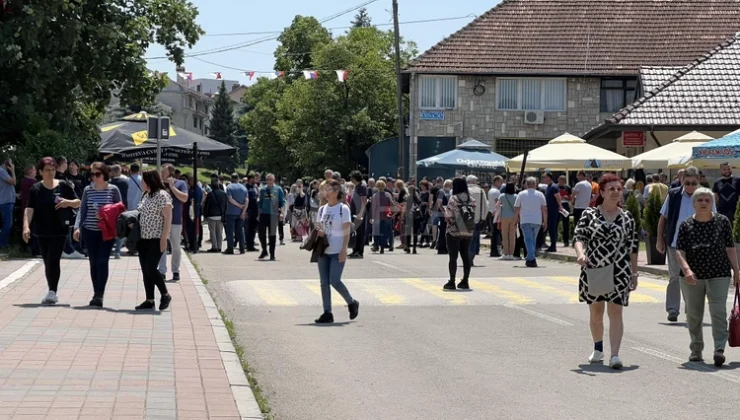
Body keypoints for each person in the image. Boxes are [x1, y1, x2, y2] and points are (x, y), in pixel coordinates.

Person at [574, 173, 639, 370]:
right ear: (601, 192)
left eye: (619, 189)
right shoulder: (589, 214)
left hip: (620, 270)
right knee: (596, 312)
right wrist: (580, 254)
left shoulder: (627, 218)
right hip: (594, 268)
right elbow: (578, 237)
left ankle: (615, 355)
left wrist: (634, 274)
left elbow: (633, 247)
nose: (616, 192)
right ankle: (598, 348)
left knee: (616, 312)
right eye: (611, 189)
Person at [674, 187, 740, 366]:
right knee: (694, 314)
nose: (704, 203)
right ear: (694, 203)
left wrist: (736, 270)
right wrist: (687, 270)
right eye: (700, 200)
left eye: (707, 200)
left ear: (713, 203)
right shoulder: (686, 225)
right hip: (692, 277)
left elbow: (730, 248)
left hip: (719, 273)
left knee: (718, 311)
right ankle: (696, 349)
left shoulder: (722, 222)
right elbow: (679, 251)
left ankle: (719, 349)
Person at [657, 166, 712, 322]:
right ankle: (673, 309)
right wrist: (660, 240)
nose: (689, 186)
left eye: (693, 183)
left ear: (698, 181)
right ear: (682, 181)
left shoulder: (705, 196)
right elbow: (663, 219)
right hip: (675, 244)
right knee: (674, 278)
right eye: (687, 183)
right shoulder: (673, 195)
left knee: (694, 278)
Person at [22, 157, 80, 305]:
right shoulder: (36, 188)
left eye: (53, 170)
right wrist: (26, 227)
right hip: (41, 230)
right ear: (40, 172)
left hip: (60, 230)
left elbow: (78, 202)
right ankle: (51, 289)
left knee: (54, 260)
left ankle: (52, 292)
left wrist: (67, 202)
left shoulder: (64, 185)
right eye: (47, 170)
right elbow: (29, 209)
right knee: (47, 261)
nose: (51, 173)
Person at [73, 162, 122, 307]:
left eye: (98, 174)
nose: (94, 177)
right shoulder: (88, 190)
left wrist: (105, 214)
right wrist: (77, 227)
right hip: (89, 231)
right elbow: (82, 210)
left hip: (106, 232)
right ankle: (96, 294)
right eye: (92, 174)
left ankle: (100, 293)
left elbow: (120, 209)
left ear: (104, 174)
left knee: (102, 261)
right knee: (93, 263)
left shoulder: (113, 190)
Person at [314, 179, 360, 324]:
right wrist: (319, 231)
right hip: (323, 250)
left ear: (336, 192)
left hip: (337, 250)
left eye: (328, 189)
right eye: (324, 190)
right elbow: (319, 226)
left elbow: (346, 231)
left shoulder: (343, 209)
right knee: (324, 283)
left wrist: (343, 250)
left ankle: (351, 302)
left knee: (334, 280)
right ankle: (327, 312)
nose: (325, 192)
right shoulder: (322, 209)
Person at [134, 169, 173, 311]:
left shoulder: (162, 196)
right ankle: (149, 300)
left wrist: (164, 238)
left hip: (157, 237)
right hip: (143, 238)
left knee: (151, 268)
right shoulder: (145, 195)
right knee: (145, 270)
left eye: (143, 180)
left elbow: (168, 218)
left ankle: (165, 294)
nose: (141, 182)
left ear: (150, 181)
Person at [443, 177, 476, 290]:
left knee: (453, 257)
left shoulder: (453, 199)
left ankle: (452, 281)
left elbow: (448, 216)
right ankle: (465, 281)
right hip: (468, 231)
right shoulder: (471, 199)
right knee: (465, 256)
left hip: (454, 232)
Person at [158, 164, 188, 281]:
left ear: (170, 172)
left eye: (164, 171)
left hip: (175, 220)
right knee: (162, 246)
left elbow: (184, 198)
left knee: (176, 247)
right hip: (161, 220)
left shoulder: (180, 183)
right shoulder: (159, 184)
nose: (162, 173)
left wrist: (172, 187)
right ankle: (162, 271)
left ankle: (175, 270)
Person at [514, 177, 547, 268]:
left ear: (526, 184)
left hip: (525, 220)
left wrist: (515, 219)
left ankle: (532, 259)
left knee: (528, 240)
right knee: (532, 240)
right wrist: (545, 221)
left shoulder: (521, 194)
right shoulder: (540, 194)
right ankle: (529, 259)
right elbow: (544, 209)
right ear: (535, 184)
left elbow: (517, 208)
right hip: (537, 220)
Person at [258, 174, 285, 261]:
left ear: (274, 180)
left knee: (272, 235)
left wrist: (282, 213)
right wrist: (258, 214)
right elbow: (260, 202)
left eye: (270, 179)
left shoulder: (278, 189)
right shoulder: (262, 189)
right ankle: (264, 250)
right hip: (264, 214)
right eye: (267, 179)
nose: (269, 181)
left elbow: (282, 202)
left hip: (273, 214)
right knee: (261, 233)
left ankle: (272, 254)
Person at [466, 175, 488, 266]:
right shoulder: (481, 191)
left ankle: (466, 256)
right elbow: (485, 206)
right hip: (477, 219)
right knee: (474, 239)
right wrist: (483, 217)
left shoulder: (464, 191)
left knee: (465, 239)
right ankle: (471, 256)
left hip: (465, 219)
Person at [109, 164, 129, 259]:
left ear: (113, 172)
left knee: (110, 229)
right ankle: (117, 251)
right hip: (122, 208)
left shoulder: (109, 183)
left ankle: (109, 250)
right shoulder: (125, 182)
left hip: (110, 208)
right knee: (121, 229)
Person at [224, 173, 247, 254]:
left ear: (231, 179)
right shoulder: (243, 188)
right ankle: (242, 248)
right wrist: (243, 211)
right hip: (240, 213)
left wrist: (239, 205)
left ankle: (230, 248)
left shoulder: (229, 187)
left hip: (231, 212)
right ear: (238, 178)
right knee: (240, 230)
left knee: (230, 231)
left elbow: (230, 199)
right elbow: (247, 200)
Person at [203, 175, 227, 253]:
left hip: (212, 216)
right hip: (221, 215)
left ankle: (214, 247)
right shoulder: (224, 194)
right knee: (219, 232)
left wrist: (205, 215)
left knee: (212, 231)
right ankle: (219, 247)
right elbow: (226, 205)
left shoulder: (210, 194)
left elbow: (207, 205)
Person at [349, 171, 367, 258]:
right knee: (355, 232)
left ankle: (359, 252)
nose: (351, 179)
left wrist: (360, 213)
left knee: (360, 233)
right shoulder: (357, 187)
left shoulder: (362, 187)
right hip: (354, 213)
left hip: (359, 214)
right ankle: (355, 250)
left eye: (352, 177)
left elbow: (364, 201)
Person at [498, 182, 518, 260]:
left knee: (505, 235)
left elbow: (497, 205)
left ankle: (505, 253)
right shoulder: (516, 196)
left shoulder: (502, 196)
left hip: (504, 217)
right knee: (512, 236)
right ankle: (511, 254)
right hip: (513, 217)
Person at [0, 157, 16, 248]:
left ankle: (3, 243)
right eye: (11, 163)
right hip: (5, 201)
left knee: (7, 222)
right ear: (6, 163)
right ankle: (2, 244)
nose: (12, 165)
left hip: (8, 200)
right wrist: (13, 170)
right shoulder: (1, 171)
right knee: (8, 223)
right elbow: (13, 182)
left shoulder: (4, 172)